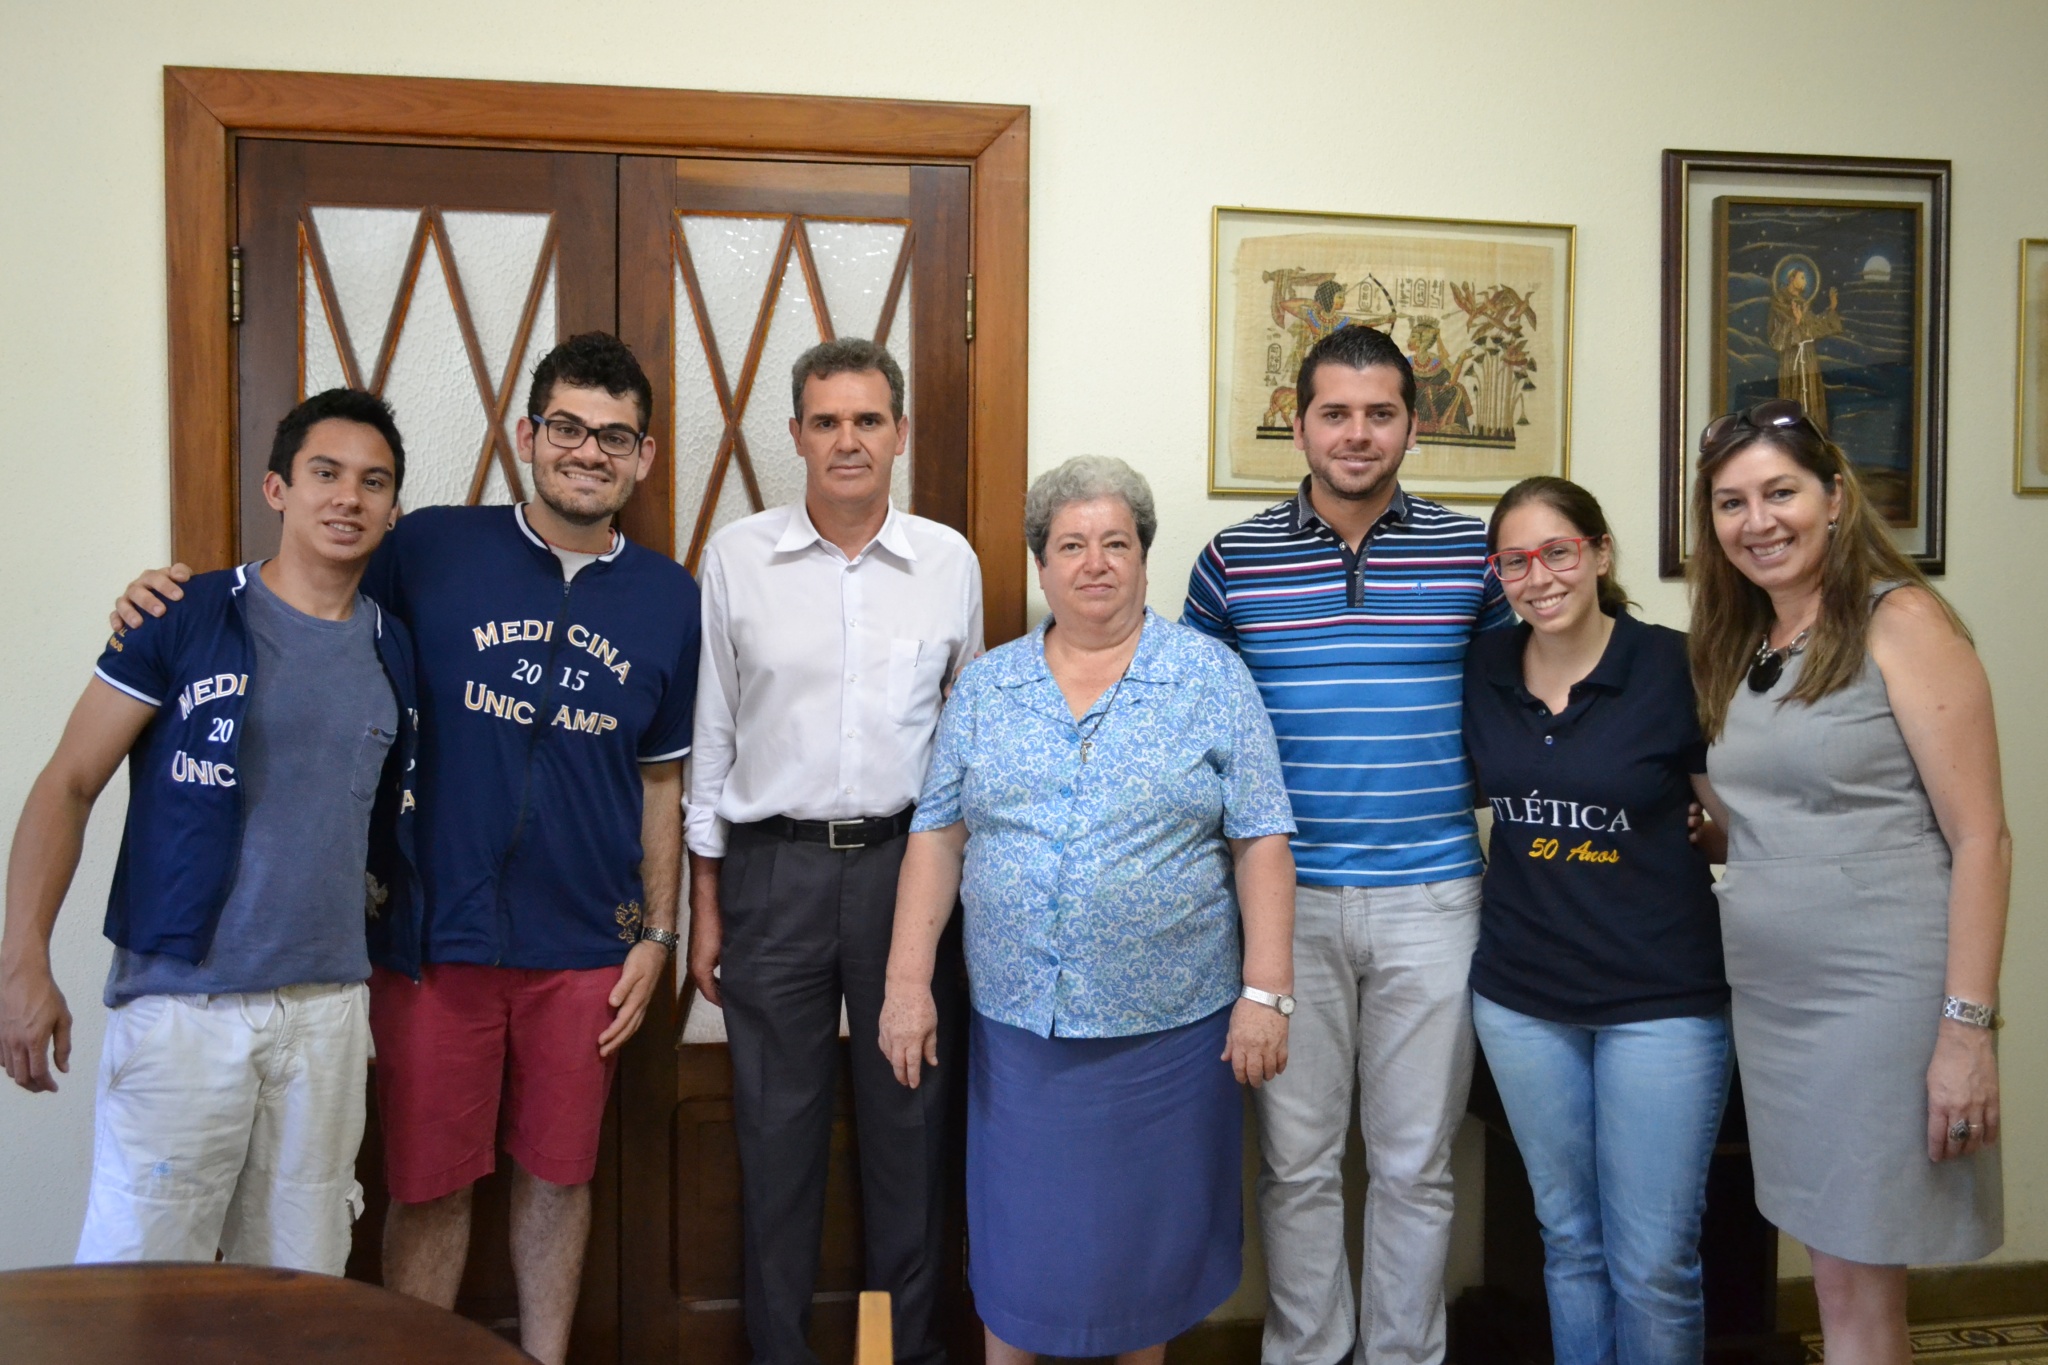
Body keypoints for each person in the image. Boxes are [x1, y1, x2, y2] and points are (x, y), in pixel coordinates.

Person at [110, 333, 700, 1365]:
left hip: (584, 948)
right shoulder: (429, 546)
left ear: (642, 458)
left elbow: (662, 780)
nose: (586, 452)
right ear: (528, 436)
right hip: (433, 934)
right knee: (427, 1181)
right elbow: (300, 579)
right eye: (566, 427)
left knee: (559, 1178)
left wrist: (657, 930)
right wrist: (172, 600)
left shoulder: (669, 599)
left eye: (613, 437)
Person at [879, 455, 1297, 1365]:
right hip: (1023, 1040)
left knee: (1137, 1282)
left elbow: (1261, 838)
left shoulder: (1211, 678)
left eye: (1117, 542)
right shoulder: (989, 686)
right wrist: (907, 982)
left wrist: (1266, 992)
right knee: (1022, 1267)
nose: (1095, 562)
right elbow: (938, 836)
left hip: (1169, 1042)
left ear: (1146, 558)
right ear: (1041, 566)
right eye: (1072, 544)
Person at [3, 389, 420, 1274]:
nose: (348, 497)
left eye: (373, 482)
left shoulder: (395, 649)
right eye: (325, 473)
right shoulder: (182, 615)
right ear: (277, 488)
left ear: (393, 509)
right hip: (182, 1007)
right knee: (139, 1286)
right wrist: (23, 960)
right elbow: (67, 782)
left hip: (328, 1013)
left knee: (302, 1291)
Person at [1184, 323, 1512, 1365]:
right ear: (1297, 425)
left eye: (1379, 414)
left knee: (1416, 1164)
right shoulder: (1231, 561)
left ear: (1414, 427)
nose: (1356, 435)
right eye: (1335, 413)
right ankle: (1306, 1353)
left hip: (1435, 899)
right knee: (1295, 1162)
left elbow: (1529, 707)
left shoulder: (1472, 554)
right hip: (1287, 906)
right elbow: (1193, 734)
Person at [1688, 399, 2007, 1363]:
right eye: (1732, 502)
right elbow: (1788, 814)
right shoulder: (1748, 640)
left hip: (1880, 1001)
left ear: (1834, 497)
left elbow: (1983, 837)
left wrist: (1966, 1030)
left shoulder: (1899, 619)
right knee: (1833, 1272)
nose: (1759, 520)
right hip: (1776, 1002)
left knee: (1863, 1277)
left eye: (1781, 492)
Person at [687, 337, 982, 1365]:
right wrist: (706, 905)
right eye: (825, 422)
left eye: (866, 420)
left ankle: (896, 1355)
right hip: (774, 871)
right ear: (796, 436)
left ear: (897, 432)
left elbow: (963, 742)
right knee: (776, 1142)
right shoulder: (735, 558)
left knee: (909, 1130)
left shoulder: (948, 562)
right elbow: (712, 736)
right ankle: (778, 1354)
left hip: (910, 876)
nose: (846, 441)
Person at [1461, 477, 1730, 1365]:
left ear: (1601, 553)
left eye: (1558, 552)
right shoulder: (1485, 671)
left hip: (1661, 1002)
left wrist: (1713, 825)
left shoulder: (1675, 664)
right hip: (1523, 999)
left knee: (1653, 1261)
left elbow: (1735, 823)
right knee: (1570, 1242)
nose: (1537, 576)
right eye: (1515, 560)